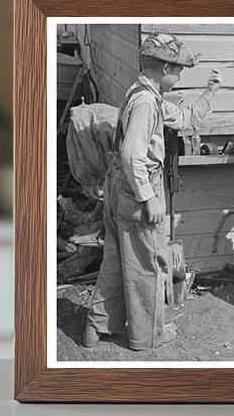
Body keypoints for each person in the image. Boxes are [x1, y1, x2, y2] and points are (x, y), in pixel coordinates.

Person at [83, 32, 221, 351]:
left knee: (115, 262)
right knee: (149, 266)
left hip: (118, 185)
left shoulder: (142, 92)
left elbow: (182, 117)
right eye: (179, 69)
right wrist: (148, 197)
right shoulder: (147, 101)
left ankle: (97, 326)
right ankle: (147, 336)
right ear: (162, 68)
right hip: (136, 189)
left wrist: (209, 93)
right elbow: (133, 153)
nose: (181, 74)